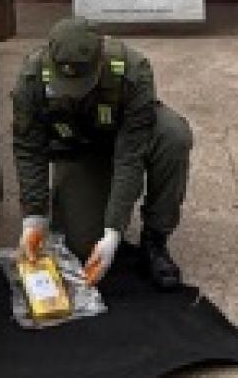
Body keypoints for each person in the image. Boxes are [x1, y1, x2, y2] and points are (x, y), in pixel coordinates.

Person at [12, 17, 194, 290]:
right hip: (78, 151)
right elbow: (29, 148)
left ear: (101, 61)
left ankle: (155, 239)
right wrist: (34, 217)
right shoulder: (31, 80)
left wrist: (113, 231)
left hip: (125, 140)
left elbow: (130, 156)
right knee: (81, 249)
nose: (74, 93)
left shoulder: (133, 70)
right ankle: (91, 194)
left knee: (173, 136)